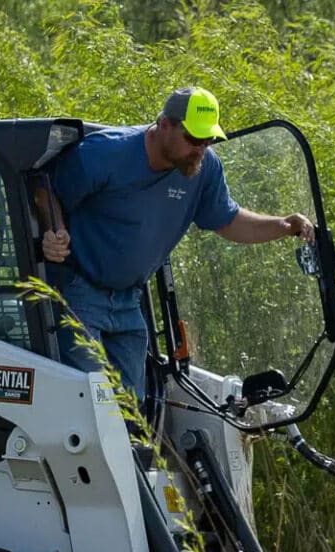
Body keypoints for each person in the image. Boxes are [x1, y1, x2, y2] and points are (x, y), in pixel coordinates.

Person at [39, 86, 314, 402]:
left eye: (209, 139)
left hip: (129, 300)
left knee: (133, 408)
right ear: (164, 125)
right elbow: (45, 190)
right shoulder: (104, 154)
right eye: (194, 139)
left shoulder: (204, 168)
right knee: (92, 402)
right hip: (80, 291)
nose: (202, 148)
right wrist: (53, 231)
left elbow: (229, 220)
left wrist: (284, 225)